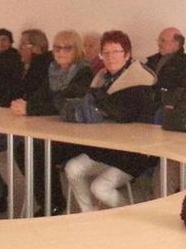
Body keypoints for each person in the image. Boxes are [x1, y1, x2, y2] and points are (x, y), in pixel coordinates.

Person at [0, 29, 92, 217]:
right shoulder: (53, 70)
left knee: (31, 148)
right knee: (20, 147)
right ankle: (44, 199)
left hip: (71, 133)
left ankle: (52, 203)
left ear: (77, 50)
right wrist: (23, 105)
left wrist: (30, 108)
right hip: (43, 125)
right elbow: (40, 96)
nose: (60, 52)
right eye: (57, 48)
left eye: (67, 48)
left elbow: (62, 103)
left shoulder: (84, 72)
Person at [65, 30, 158, 211]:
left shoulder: (141, 81)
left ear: (127, 55)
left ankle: (129, 214)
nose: (110, 57)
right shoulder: (101, 78)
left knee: (99, 187)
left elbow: (123, 114)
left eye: (115, 52)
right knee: (72, 168)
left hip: (131, 153)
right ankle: (89, 214)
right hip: (105, 148)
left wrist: (97, 103)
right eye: (106, 53)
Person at [144, 26, 186, 106]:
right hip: (147, 104)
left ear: (176, 43)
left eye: (163, 41)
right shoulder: (153, 60)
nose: (159, 44)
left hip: (167, 110)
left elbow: (182, 93)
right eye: (159, 40)